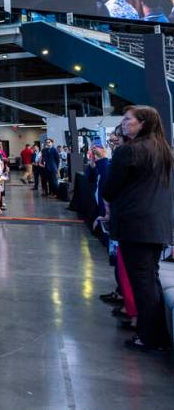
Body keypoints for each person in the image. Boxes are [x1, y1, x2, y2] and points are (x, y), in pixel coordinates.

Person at [103, 106, 174, 353]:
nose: (123, 123)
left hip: (135, 225)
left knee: (143, 283)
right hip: (157, 226)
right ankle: (155, 334)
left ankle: (150, 337)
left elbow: (109, 190)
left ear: (142, 123)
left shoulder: (128, 152)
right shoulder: (164, 151)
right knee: (150, 280)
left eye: (127, 119)